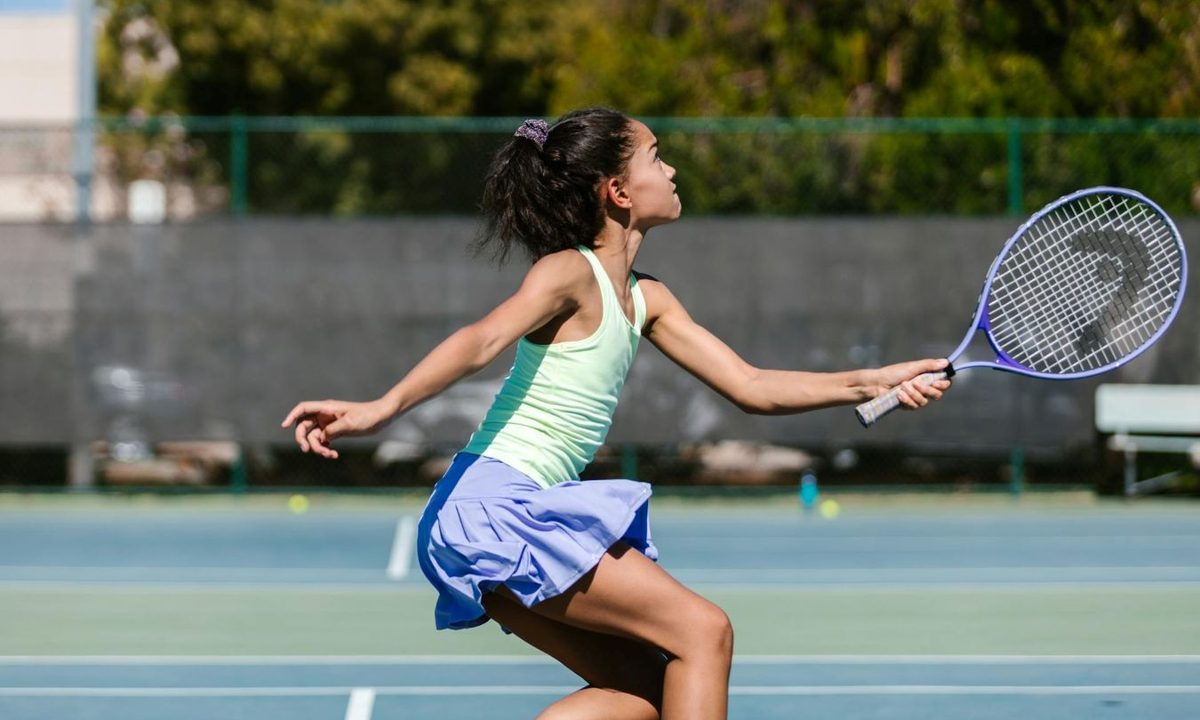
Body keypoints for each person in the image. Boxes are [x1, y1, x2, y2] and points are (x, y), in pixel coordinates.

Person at [281, 107, 951, 720]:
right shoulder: (569, 273)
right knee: (704, 632)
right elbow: (481, 340)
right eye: (657, 156)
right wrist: (382, 408)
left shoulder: (648, 298)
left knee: (646, 691)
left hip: (488, 513)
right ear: (619, 192)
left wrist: (876, 380)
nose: (673, 169)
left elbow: (752, 385)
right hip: (492, 507)